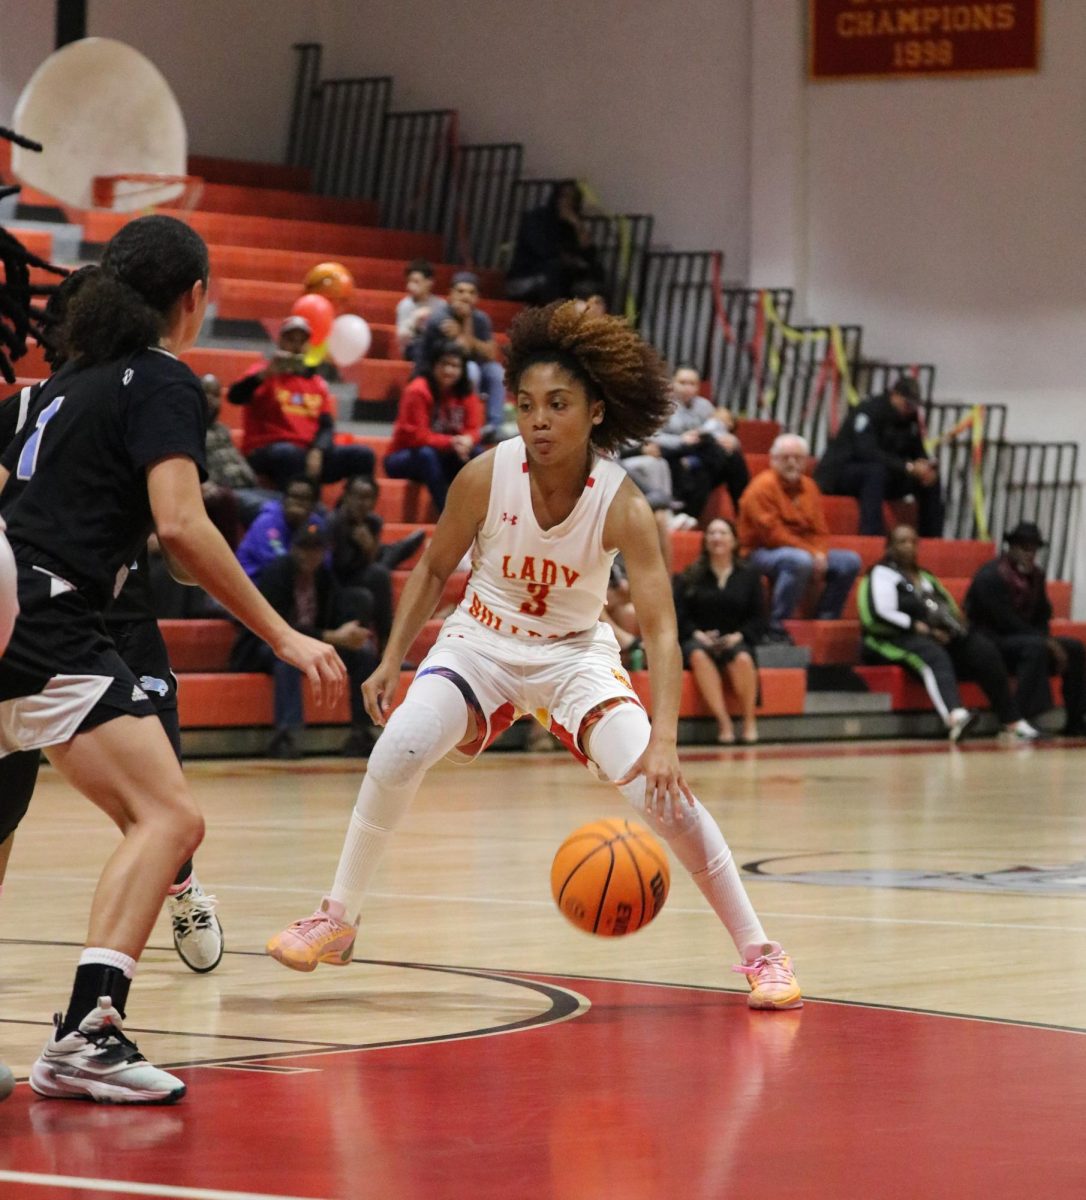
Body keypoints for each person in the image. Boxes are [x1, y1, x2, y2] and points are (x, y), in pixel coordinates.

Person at [267, 300, 802, 1012]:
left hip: (575, 657)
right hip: (480, 643)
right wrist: (394, 658)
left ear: (597, 412)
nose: (539, 419)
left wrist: (666, 740)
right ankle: (336, 919)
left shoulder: (624, 505)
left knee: (663, 796)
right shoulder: (487, 476)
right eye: (525, 405)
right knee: (397, 748)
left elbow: (664, 631)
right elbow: (431, 570)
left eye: (558, 404)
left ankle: (763, 954)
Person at [0, 214, 345, 1104]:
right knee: (169, 818)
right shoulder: (159, 378)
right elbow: (184, 526)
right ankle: (88, 1031)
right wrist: (283, 633)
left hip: (7, 601)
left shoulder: (42, 393)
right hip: (47, 613)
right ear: (192, 299)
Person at [0, 267, 227, 975]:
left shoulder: (136, 396)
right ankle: (92, 1021)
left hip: (116, 616)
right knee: (153, 810)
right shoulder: (42, 404)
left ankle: (179, 882)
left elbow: (180, 526)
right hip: (45, 613)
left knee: (164, 801)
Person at [858, 526, 1040, 742]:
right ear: (889, 547)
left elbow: (948, 610)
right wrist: (919, 628)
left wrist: (953, 630)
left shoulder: (926, 577)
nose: (909, 546)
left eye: (913, 542)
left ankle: (1011, 721)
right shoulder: (880, 574)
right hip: (890, 638)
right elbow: (879, 614)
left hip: (931, 634)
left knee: (982, 649)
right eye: (902, 542)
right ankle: (955, 717)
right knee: (934, 654)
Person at [231, 522, 380, 759]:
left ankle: (361, 732)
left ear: (324, 552)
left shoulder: (324, 577)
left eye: (315, 549)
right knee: (288, 659)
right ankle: (286, 736)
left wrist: (350, 632)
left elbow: (333, 614)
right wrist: (332, 637)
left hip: (310, 644)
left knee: (363, 654)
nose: (308, 555)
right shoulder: (277, 573)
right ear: (293, 549)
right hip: (265, 645)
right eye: (303, 548)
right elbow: (276, 628)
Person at [226, 315, 375, 492]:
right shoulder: (261, 372)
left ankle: (346, 514)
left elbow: (326, 426)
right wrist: (266, 374)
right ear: (280, 341)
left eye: (301, 341)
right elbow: (234, 397)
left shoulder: (316, 383)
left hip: (308, 452)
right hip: (267, 451)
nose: (296, 346)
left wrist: (318, 450)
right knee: (289, 455)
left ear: (308, 346)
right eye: (290, 339)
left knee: (363, 456)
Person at [965, 522, 1085, 737]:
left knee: (1074, 648)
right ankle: (1017, 719)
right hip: (990, 642)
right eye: (1024, 548)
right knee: (1036, 647)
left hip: (1024, 639)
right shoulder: (991, 575)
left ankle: (1076, 719)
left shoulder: (1036, 576)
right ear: (1011, 548)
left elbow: (1043, 614)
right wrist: (1046, 642)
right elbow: (1003, 620)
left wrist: (1047, 639)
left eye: (1033, 549)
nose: (1030, 554)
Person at [739, 433, 862, 637]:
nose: (792, 463)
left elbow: (820, 530)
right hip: (759, 552)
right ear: (774, 460)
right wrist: (812, 553)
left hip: (804, 551)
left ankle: (826, 618)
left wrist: (820, 553)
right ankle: (778, 627)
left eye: (798, 458)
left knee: (850, 561)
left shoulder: (810, 487)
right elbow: (773, 535)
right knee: (799, 561)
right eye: (786, 457)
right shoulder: (761, 487)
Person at [814, 375, 944, 537]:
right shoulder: (869, 410)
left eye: (914, 405)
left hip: (886, 475)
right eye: (907, 404)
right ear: (895, 395)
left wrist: (925, 467)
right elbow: (866, 452)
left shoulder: (910, 419)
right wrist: (907, 467)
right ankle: (871, 535)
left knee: (930, 479)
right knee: (875, 472)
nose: (910, 409)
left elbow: (917, 449)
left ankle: (932, 538)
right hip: (845, 473)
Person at [674, 519, 766, 745]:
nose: (716, 538)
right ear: (705, 541)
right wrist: (697, 635)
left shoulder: (750, 575)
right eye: (711, 533)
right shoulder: (690, 575)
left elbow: (759, 616)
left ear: (734, 541)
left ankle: (749, 722)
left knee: (743, 658)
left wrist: (739, 636)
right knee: (697, 655)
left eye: (722, 533)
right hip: (698, 637)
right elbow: (679, 615)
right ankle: (723, 723)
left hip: (735, 637)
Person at [384, 343, 484, 512]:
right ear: (433, 365)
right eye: (444, 364)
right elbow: (417, 437)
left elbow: (474, 429)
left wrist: (467, 440)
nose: (449, 370)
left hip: (444, 455)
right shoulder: (418, 390)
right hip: (404, 457)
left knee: (478, 455)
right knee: (426, 455)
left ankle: (484, 513)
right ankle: (447, 514)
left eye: (455, 366)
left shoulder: (466, 392)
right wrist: (452, 442)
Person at [328, 475, 426, 646]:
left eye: (368, 498)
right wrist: (369, 549)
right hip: (337, 580)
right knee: (380, 572)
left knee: (379, 570)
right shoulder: (334, 522)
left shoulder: (373, 522)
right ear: (347, 496)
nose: (362, 503)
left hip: (364, 571)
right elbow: (339, 566)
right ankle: (386, 641)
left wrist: (370, 548)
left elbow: (368, 561)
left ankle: (394, 550)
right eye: (357, 496)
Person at [649, 365, 749, 523]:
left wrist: (732, 440)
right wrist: (682, 439)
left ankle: (744, 514)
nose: (688, 388)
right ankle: (689, 516)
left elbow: (717, 430)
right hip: (674, 455)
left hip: (702, 457)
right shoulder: (660, 406)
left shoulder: (705, 406)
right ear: (672, 384)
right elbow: (651, 437)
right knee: (706, 459)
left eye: (692, 384)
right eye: (683, 382)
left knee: (733, 457)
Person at [416, 273, 506, 425]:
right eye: (460, 291)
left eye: (471, 293)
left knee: (496, 372)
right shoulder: (441, 317)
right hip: (438, 370)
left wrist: (463, 330)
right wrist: (471, 339)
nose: (465, 297)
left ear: (477, 297)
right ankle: (469, 423)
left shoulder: (481, 319)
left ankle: (494, 425)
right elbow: (461, 351)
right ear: (450, 293)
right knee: (471, 370)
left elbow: (491, 354)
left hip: (469, 366)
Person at [505, 180, 605, 305]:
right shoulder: (536, 218)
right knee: (555, 270)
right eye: (564, 196)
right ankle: (552, 320)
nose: (567, 202)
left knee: (595, 273)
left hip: (561, 278)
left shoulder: (571, 225)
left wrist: (577, 224)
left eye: (572, 198)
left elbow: (589, 255)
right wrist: (567, 260)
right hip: (527, 277)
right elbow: (543, 250)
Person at [201, 372, 278, 527]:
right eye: (205, 393)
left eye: (215, 395)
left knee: (310, 509)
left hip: (249, 488)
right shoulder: (188, 431)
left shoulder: (223, 430)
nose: (211, 400)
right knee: (274, 512)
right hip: (225, 493)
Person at [236, 476, 323, 582]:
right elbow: (277, 563)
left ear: (314, 505)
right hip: (252, 585)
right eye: (293, 496)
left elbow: (323, 560)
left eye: (304, 498)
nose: (298, 502)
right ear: (284, 500)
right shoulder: (266, 522)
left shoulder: (314, 525)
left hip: (295, 588)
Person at [395, 259, 436, 365]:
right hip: (413, 348)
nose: (410, 286)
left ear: (429, 282)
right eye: (409, 281)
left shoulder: (441, 305)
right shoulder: (404, 305)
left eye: (416, 281)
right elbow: (402, 339)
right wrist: (414, 320)